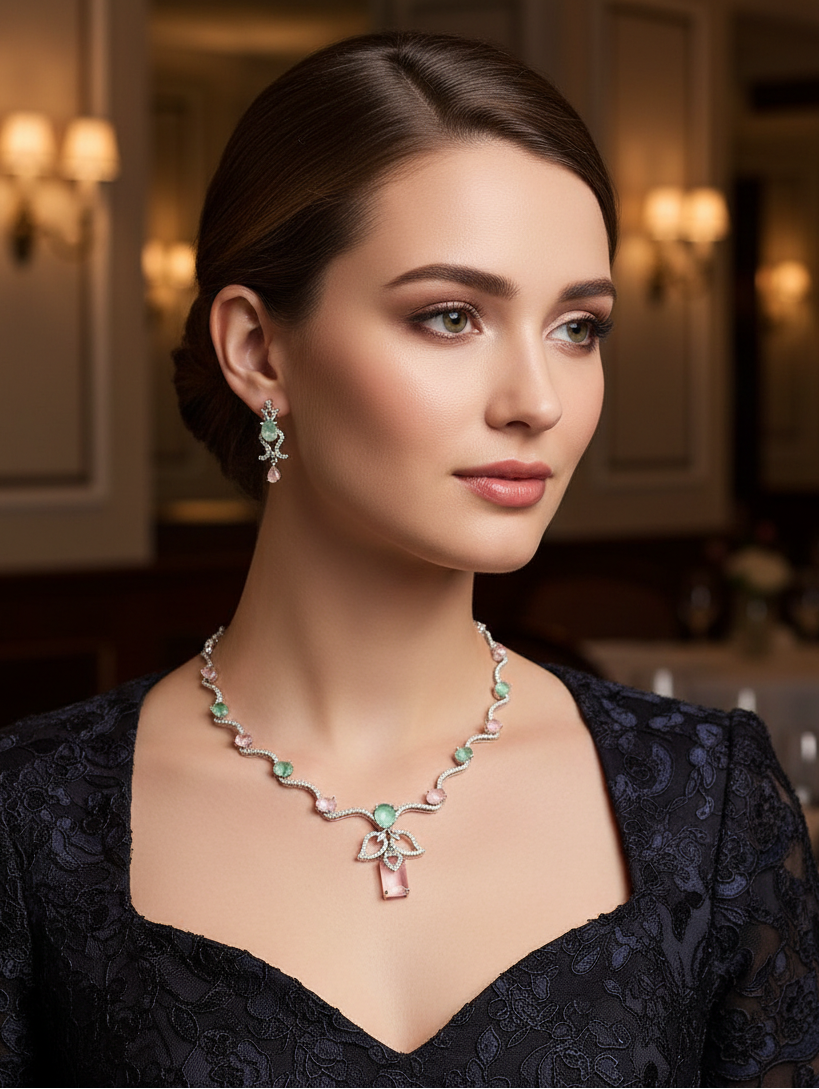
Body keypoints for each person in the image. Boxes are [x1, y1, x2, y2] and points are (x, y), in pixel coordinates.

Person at [0, 30, 817, 1088]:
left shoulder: (708, 798)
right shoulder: (33, 816)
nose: (537, 400)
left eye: (578, 327)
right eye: (451, 316)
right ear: (256, 349)